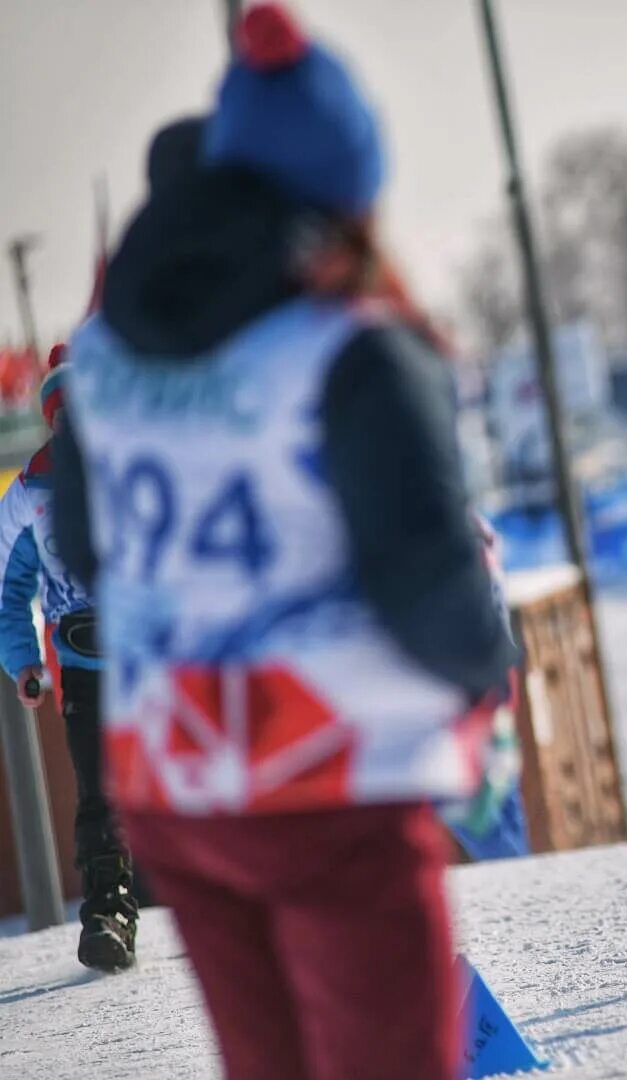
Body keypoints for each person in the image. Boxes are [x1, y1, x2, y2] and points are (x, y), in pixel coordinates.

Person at [52, 7, 515, 1078]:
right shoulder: (348, 346)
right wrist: (485, 682)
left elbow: (87, 542)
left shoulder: (112, 352)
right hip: (327, 780)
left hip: (172, 780)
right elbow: (428, 574)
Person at [0, 350, 137, 972]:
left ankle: (237, 907)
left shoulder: (139, 467)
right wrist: (23, 657)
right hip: (81, 664)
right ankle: (107, 913)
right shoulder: (32, 490)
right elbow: (7, 582)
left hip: (153, 662)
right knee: (97, 795)